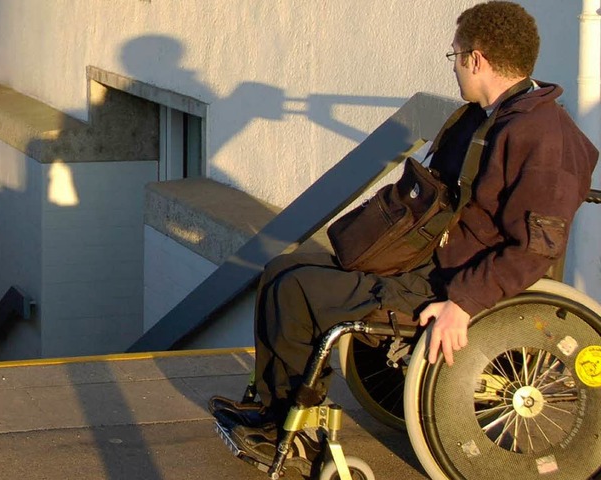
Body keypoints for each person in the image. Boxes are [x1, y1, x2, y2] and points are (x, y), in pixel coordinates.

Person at [209, 0, 599, 463]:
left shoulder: (542, 136)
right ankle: (270, 407)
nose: (453, 67)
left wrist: (463, 303)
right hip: (428, 259)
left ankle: (291, 431)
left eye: (455, 55)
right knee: (281, 268)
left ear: (477, 58)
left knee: (298, 290)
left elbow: (536, 250)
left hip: (453, 283)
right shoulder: (487, 117)